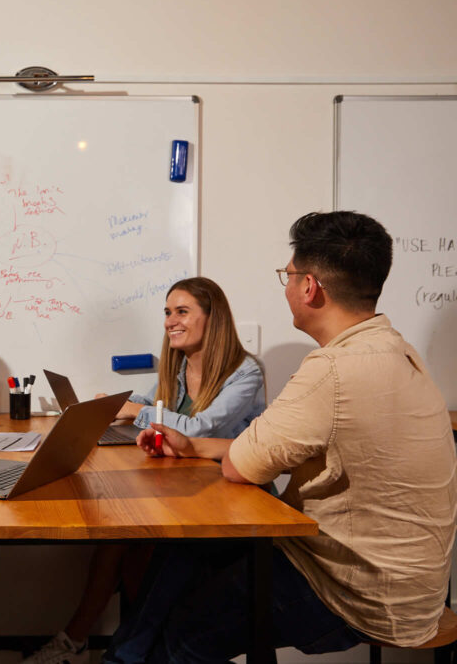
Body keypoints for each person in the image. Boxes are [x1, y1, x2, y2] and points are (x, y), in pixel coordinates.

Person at [105, 211, 457, 663]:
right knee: (188, 557)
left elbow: (240, 465)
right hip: (415, 587)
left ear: (309, 287)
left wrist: (204, 445)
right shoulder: (397, 351)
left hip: (356, 590)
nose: (286, 287)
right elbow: (272, 447)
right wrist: (192, 446)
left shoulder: (329, 370)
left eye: (287, 276)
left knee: (185, 632)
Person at [23, 277, 266, 664]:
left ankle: (116, 653)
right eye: (168, 313)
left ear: (212, 317)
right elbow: (150, 401)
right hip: (189, 492)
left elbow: (201, 429)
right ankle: (79, 644)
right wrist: (112, 403)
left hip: (235, 502)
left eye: (182, 311)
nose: (171, 320)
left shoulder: (245, 374)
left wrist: (137, 411)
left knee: (154, 548)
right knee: (117, 538)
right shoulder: (181, 366)